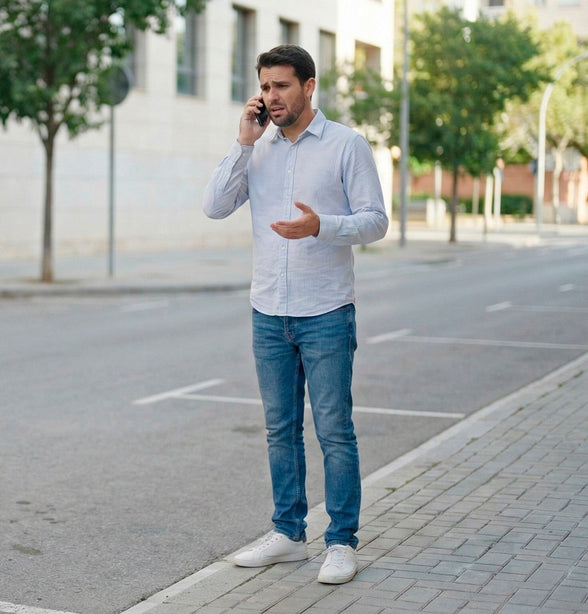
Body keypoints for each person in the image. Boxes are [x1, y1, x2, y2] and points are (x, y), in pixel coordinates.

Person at [201, 44, 388, 585]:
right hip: (268, 310)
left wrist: (322, 226)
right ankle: (287, 533)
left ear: (309, 87)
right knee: (279, 430)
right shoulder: (256, 147)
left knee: (334, 431)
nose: (270, 96)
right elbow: (214, 206)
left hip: (326, 309)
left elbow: (375, 222)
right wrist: (242, 143)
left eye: (281, 85)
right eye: (264, 86)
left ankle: (341, 541)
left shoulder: (346, 145)